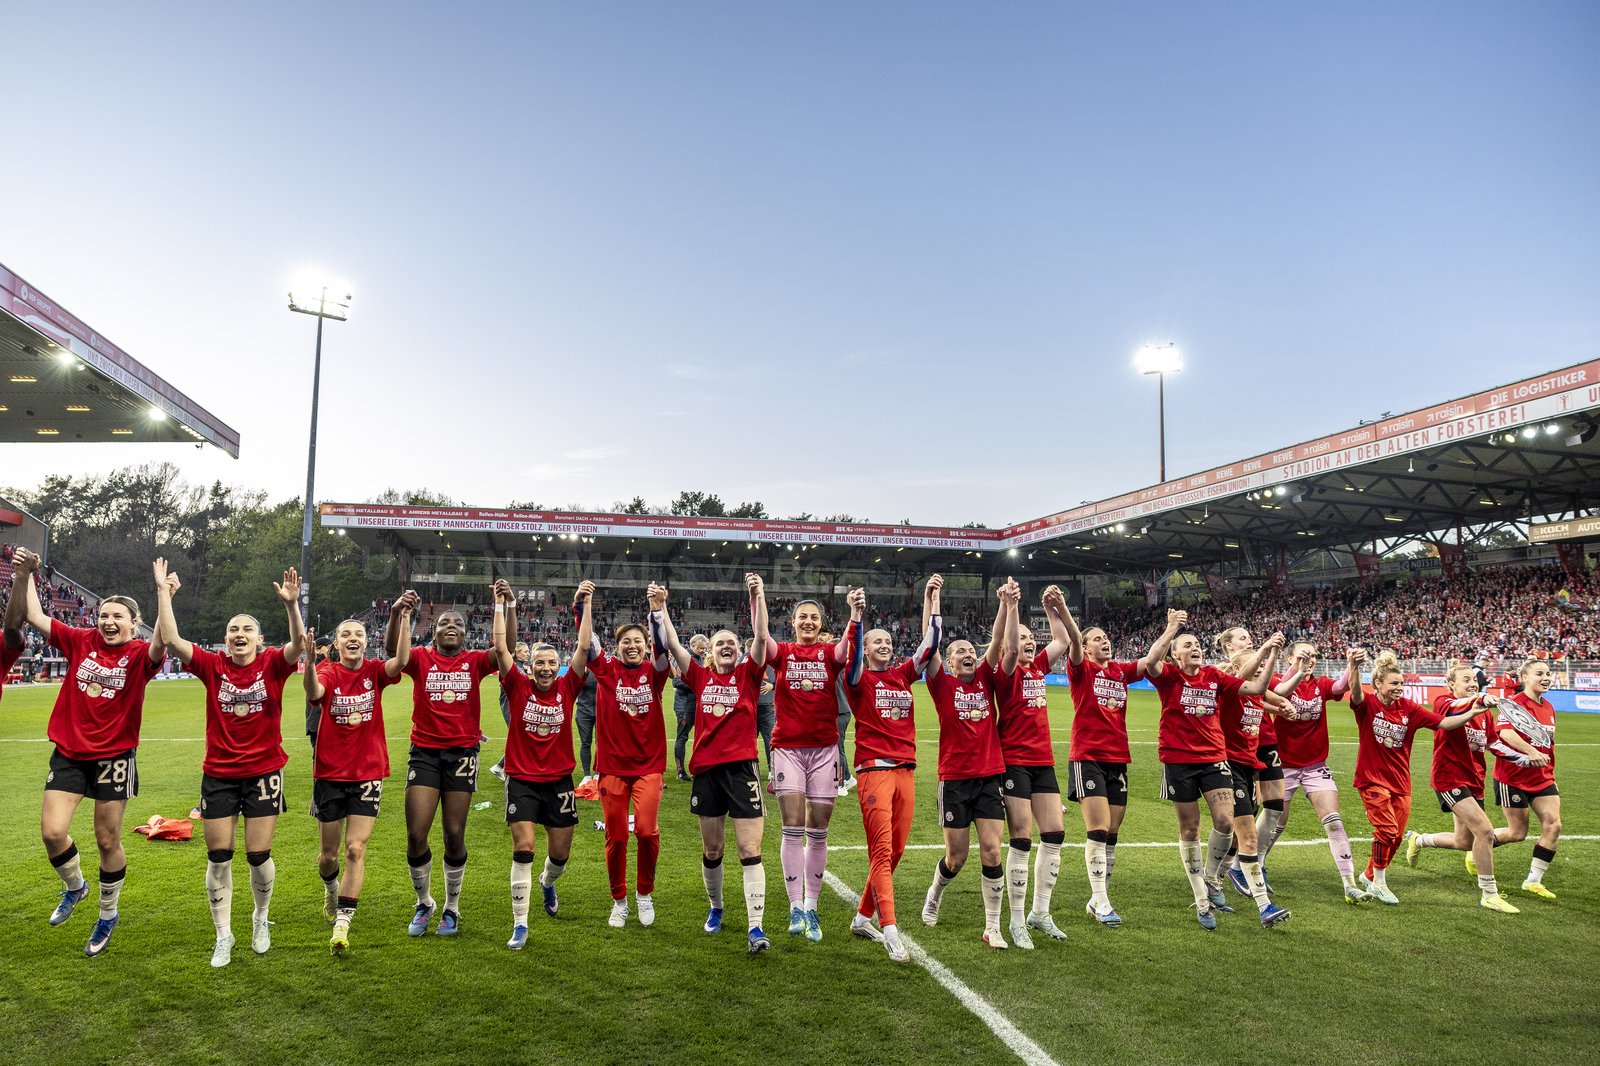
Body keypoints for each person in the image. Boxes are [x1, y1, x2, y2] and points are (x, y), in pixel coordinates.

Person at [9, 548, 166, 958]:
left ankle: (107, 914)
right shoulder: (81, 640)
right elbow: (36, 616)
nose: (108, 622)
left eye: (118, 617)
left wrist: (163, 593)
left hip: (114, 758)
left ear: (134, 623)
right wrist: (24, 574)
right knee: (52, 832)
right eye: (104, 615)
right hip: (70, 753)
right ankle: (76, 887)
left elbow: (164, 639)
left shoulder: (140, 655)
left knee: (106, 837)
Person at [153, 561, 306, 965]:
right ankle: (224, 934)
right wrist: (164, 594)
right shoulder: (212, 665)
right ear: (226, 639)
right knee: (218, 856)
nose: (240, 635)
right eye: (234, 630)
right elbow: (170, 639)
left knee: (258, 855)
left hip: (263, 772)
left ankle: (260, 917)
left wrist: (292, 606)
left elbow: (299, 646)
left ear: (259, 638)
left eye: (247, 630)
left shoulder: (273, 663)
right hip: (218, 774)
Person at [651, 576, 772, 954]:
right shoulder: (700, 677)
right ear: (710, 652)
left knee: (749, 849)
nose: (726, 647)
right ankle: (716, 908)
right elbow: (671, 641)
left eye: (732, 644)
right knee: (713, 850)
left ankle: (756, 928)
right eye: (720, 643)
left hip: (741, 771)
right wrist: (661, 607)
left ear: (739, 652)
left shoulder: (750, 675)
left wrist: (758, 596)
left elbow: (763, 636)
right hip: (705, 771)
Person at [1146, 611, 1282, 930]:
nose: (1196, 647)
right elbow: (1151, 661)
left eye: (1198, 644)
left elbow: (1257, 685)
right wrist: (1171, 629)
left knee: (1224, 821)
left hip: (1213, 758)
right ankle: (1202, 898)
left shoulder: (1213, 676)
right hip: (1178, 760)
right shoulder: (1167, 675)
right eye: (1188, 644)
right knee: (1190, 829)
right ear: (1176, 654)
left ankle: (1211, 879)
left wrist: (1270, 651)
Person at [389, 583, 505, 939]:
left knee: (454, 833)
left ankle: (452, 907)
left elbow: (506, 649)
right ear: (434, 632)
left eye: (458, 623)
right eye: (443, 623)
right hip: (424, 753)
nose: (450, 626)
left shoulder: (474, 661)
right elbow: (397, 656)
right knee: (415, 834)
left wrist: (503, 606)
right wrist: (399, 613)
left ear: (466, 635)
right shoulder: (421, 658)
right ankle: (424, 902)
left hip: (462, 755)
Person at [303, 595, 414, 955]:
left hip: (368, 772)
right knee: (329, 855)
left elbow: (400, 661)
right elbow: (314, 692)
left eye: (359, 633)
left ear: (366, 641)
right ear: (336, 644)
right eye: (346, 634)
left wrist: (406, 617)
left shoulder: (374, 672)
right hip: (330, 775)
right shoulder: (328, 672)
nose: (353, 638)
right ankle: (331, 891)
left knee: (355, 848)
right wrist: (308, 659)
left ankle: (343, 922)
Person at [491, 581, 593, 950]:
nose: (547, 668)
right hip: (521, 779)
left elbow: (583, 647)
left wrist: (586, 603)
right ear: (530, 668)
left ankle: (547, 883)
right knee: (524, 848)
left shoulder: (569, 687)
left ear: (559, 666)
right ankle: (520, 924)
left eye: (552, 663)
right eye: (540, 663)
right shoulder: (517, 686)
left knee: (559, 855)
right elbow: (501, 648)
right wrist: (501, 605)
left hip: (559, 781)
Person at [843, 577, 941, 964]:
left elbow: (930, 644)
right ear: (866, 649)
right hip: (874, 771)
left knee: (895, 850)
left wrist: (931, 599)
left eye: (887, 641)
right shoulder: (857, 679)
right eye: (875, 642)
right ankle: (891, 930)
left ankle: (862, 917)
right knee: (881, 851)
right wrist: (858, 618)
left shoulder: (902, 675)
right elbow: (849, 658)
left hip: (905, 771)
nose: (883, 646)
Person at [748, 599, 856, 942]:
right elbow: (760, 635)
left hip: (825, 751)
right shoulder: (782, 653)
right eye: (802, 617)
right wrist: (757, 598)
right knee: (793, 828)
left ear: (821, 623)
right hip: (788, 750)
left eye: (813, 618)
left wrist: (855, 614)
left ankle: (812, 905)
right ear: (792, 622)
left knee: (819, 832)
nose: (807, 622)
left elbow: (847, 648)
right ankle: (795, 905)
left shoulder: (828, 654)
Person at [1060, 595, 1166, 927]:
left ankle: (1098, 897)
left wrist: (1171, 629)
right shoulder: (1081, 668)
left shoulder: (1120, 671)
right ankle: (1103, 901)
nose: (1104, 641)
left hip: (1118, 758)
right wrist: (1064, 607)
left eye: (1106, 638)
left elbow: (1151, 660)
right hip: (1087, 756)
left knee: (1112, 832)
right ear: (1086, 648)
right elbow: (1074, 641)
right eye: (1097, 639)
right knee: (1098, 827)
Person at [921, 578, 1012, 947]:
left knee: (992, 851)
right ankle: (935, 893)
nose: (967, 652)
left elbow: (996, 642)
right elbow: (930, 644)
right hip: (955, 780)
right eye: (958, 650)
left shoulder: (986, 680)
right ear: (950, 660)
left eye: (969, 648)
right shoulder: (943, 684)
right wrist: (933, 599)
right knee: (956, 858)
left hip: (989, 777)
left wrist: (1006, 603)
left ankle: (993, 926)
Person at [1348, 651, 1478, 904]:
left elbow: (1444, 724)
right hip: (1371, 779)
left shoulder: (1410, 708)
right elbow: (1355, 693)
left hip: (1401, 782)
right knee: (1385, 830)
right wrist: (1354, 667)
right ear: (1378, 684)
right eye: (1394, 684)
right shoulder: (1367, 706)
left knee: (1396, 836)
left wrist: (1473, 713)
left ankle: (1367, 874)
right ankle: (1379, 882)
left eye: (1401, 684)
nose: (1399, 688)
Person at [1403, 660, 1520, 912]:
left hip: (1474, 781)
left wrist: (1522, 758)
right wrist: (1478, 700)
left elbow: (1494, 744)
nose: (1471, 684)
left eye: (1474, 681)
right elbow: (1455, 708)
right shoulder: (1444, 702)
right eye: (1465, 680)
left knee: (1464, 840)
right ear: (1451, 684)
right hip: (1449, 778)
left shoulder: (1485, 715)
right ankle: (1489, 893)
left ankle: (1419, 840)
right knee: (1485, 831)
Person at [992, 582, 1072, 949]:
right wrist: (1012, 607)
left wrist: (1052, 606)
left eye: (1030, 636)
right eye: (1021, 636)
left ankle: (1041, 912)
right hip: (1014, 762)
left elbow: (1062, 641)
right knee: (1021, 838)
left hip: (1043, 762)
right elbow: (1007, 648)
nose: (1027, 641)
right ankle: (1016, 920)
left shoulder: (1039, 667)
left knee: (1054, 834)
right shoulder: (1005, 672)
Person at [589, 593, 671, 929]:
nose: (632, 645)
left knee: (648, 832)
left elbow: (664, 649)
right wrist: (584, 605)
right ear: (617, 645)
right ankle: (619, 900)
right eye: (626, 641)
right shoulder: (606, 670)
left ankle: (644, 894)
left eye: (638, 641)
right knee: (618, 836)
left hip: (649, 767)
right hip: (612, 769)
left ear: (646, 646)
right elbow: (588, 641)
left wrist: (656, 612)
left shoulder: (656, 672)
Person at [1269, 642, 1372, 903]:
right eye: (1304, 654)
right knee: (1275, 824)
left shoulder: (1321, 684)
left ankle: (1349, 885)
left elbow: (1340, 688)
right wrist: (1297, 669)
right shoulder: (1278, 682)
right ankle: (1252, 867)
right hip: (1284, 766)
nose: (1310, 659)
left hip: (1315, 766)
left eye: (1313, 655)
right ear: (1289, 657)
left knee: (1334, 821)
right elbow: (1281, 691)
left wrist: (1352, 665)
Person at [1215, 644, 1293, 927]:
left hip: (1248, 768)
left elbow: (1267, 693)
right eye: (1255, 664)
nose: (1260, 669)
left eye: (1262, 666)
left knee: (1231, 836)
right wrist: (1264, 652)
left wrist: (1271, 656)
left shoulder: (1256, 697)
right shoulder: (1230, 691)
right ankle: (1265, 906)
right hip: (1227, 767)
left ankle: (1212, 882)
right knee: (1246, 836)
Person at [1491, 657, 1563, 900]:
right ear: (1524, 679)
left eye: (1548, 674)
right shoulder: (1513, 704)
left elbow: (1549, 745)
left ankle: (1533, 881)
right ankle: (1480, 845)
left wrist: (1551, 772)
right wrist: (1531, 752)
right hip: (1511, 777)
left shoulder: (1549, 707)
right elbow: (1505, 733)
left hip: (1542, 778)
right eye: (1539, 674)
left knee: (1554, 825)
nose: (1546, 678)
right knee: (1516, 833)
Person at [490, 640, 532, 782]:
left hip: (515, 706)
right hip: (510, 706)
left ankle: (504, 766)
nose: (528, 654)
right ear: (517, 652)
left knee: (521, 737)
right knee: (520, 738)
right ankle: (502, 766)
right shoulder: (513, 667)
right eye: (525, 651)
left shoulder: (518, 666)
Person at [670, 633, 709, 781]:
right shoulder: (684, 658)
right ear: (693, 646)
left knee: (701, 737)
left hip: (698, 705)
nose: (703, 651)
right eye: (701, 648)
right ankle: (680, 771)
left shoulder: (701, 659)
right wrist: (698, 684)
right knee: (682, 737)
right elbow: (676, 682)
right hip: (685, 706)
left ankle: (698, 768)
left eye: (705, 648)